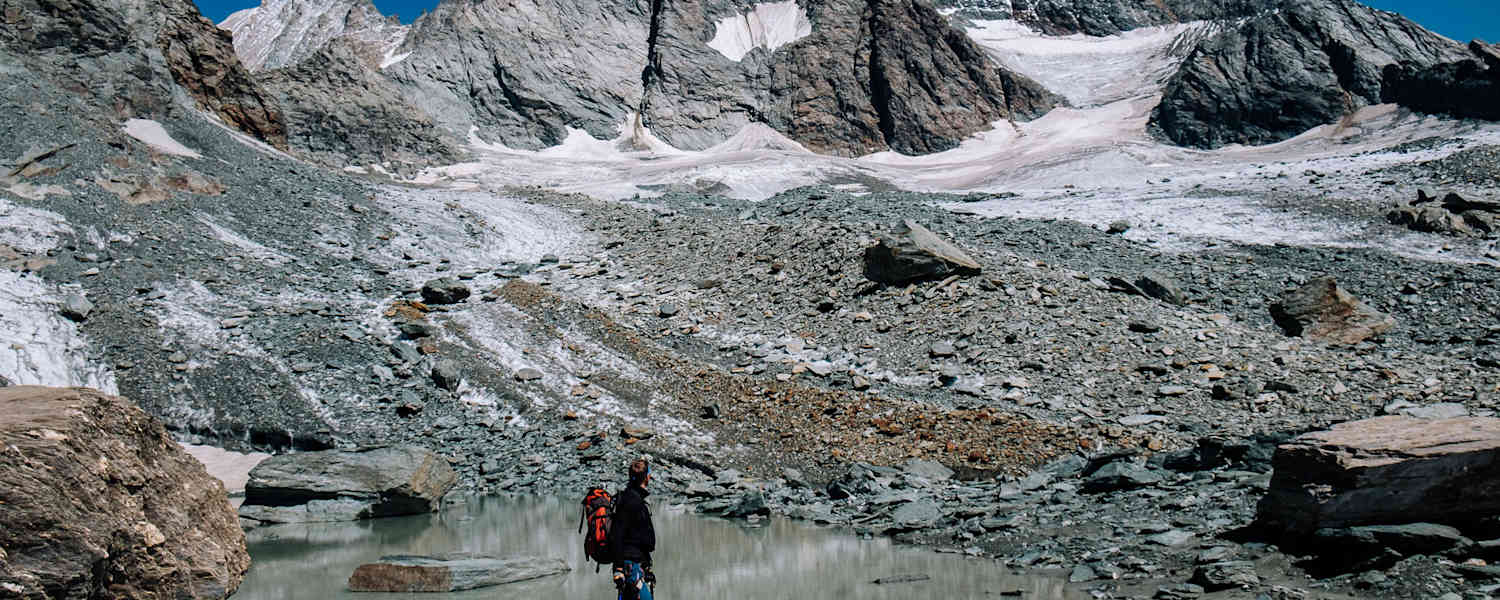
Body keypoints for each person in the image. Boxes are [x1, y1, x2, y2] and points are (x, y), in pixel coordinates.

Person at [610, 458, 656, 600]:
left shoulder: (633, 498)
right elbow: (617, 534)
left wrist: (646, 566)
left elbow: (637, 536)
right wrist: (618, 568)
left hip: (634, 565)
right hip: (630, 567)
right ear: (647, 477)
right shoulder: (631, 501)